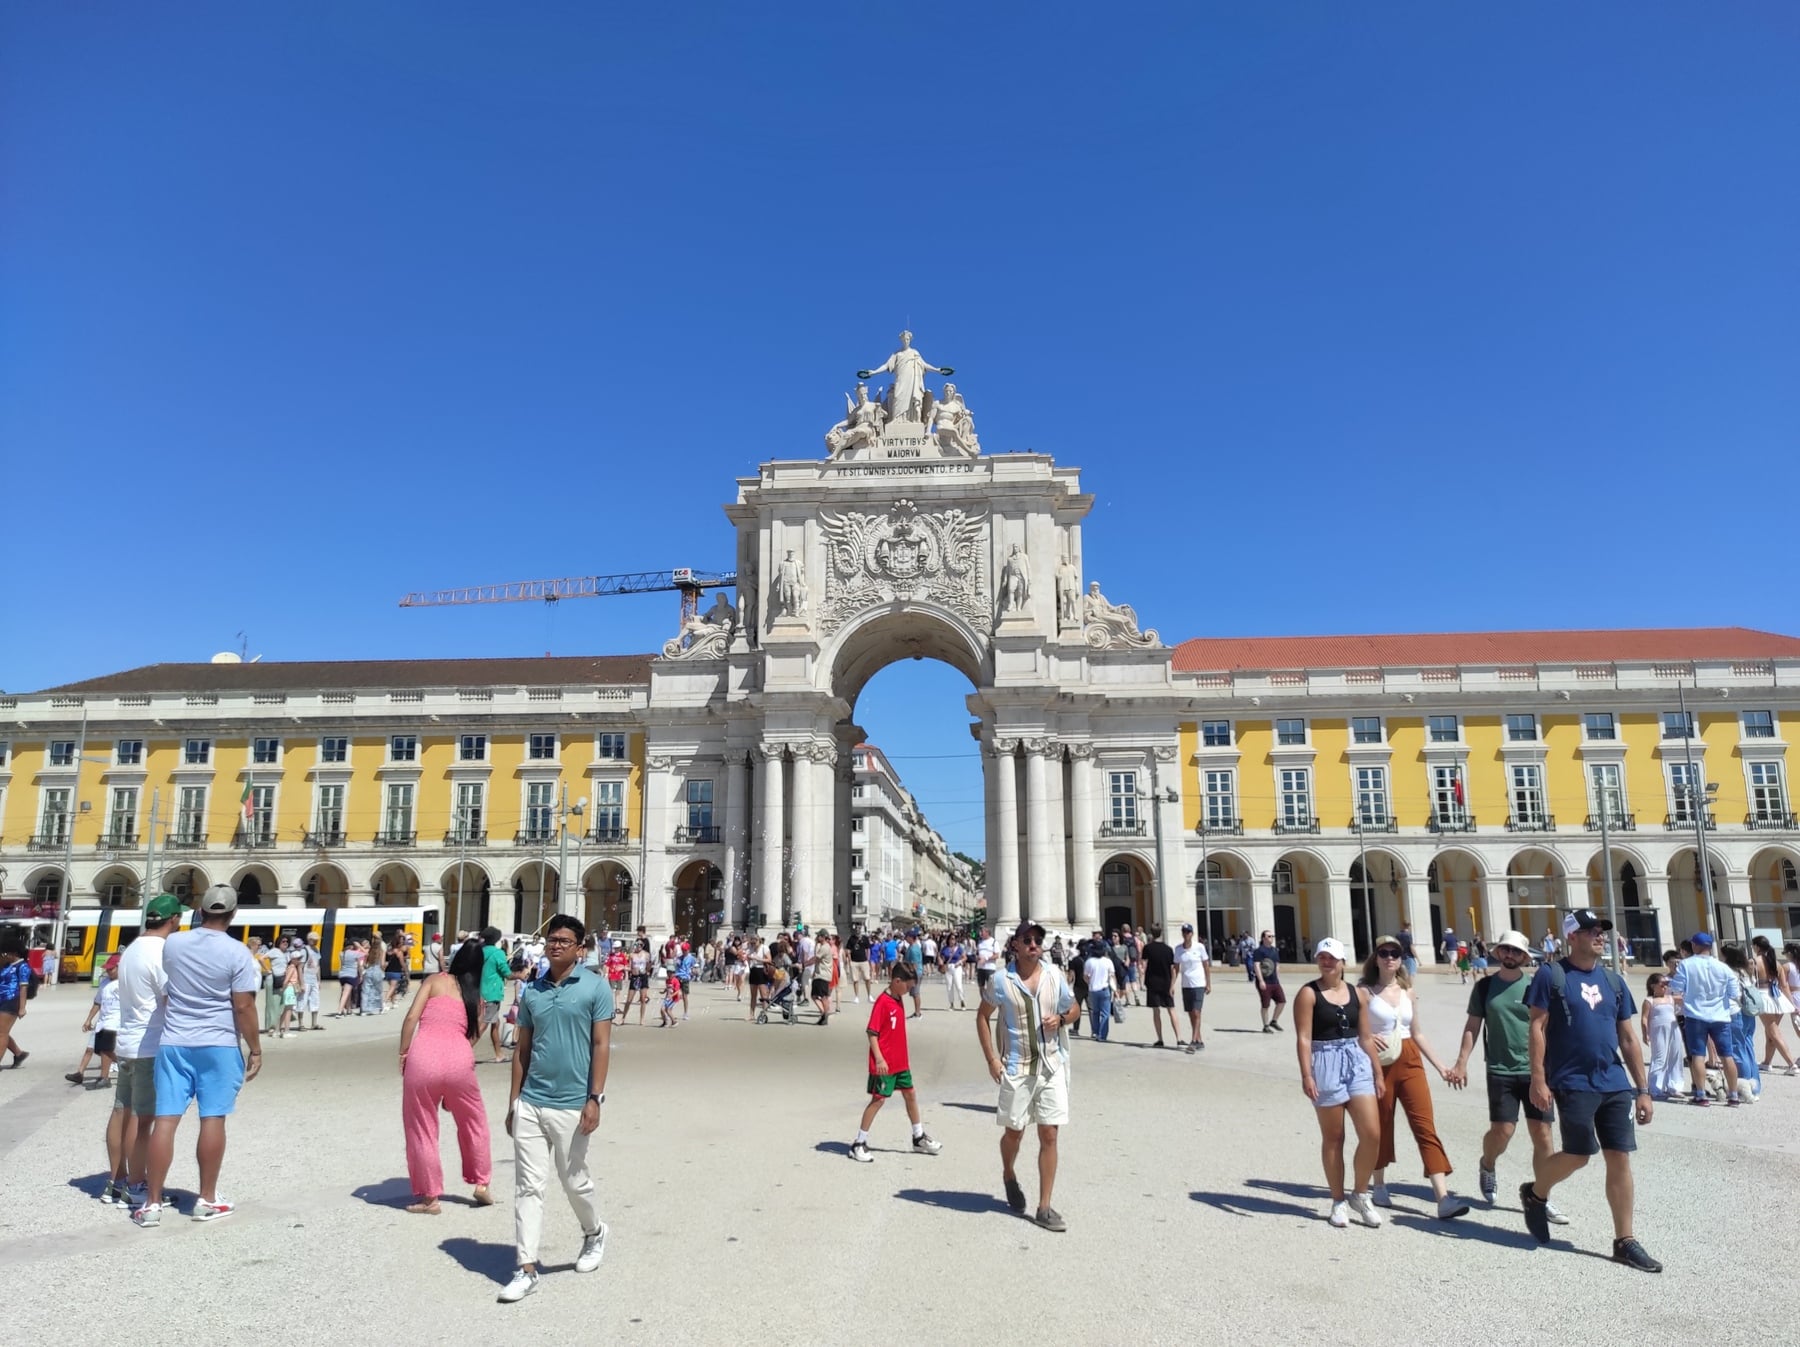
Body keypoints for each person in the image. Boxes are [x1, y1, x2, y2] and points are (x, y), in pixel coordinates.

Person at [1519, 909, 1660, 1272]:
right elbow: (1537, 1027)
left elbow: (1628, 1037)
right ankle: (1535, 1194)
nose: (1599, 935)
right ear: (1571, 937)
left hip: (1614, 1082)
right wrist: (1538, 1079)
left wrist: (1642, 1088)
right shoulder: (1552, 976)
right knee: (1579, 1154)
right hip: (1571, 1080)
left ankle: (1624, 1240)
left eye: (1601, 930)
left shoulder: (1613, 981)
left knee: (1620, 1156)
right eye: (1590, 930)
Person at [132, 884, 263, 1227]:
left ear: (200, 911)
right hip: (218, 1042)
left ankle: (152, 1203)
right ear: (233, 915)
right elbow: (244, 1005)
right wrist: (256, 1048)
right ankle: (205, 1199)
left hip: (174, 1041)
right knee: (213, 1118)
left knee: (166, 1120)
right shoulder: (238, 954)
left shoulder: (174, 943)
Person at [499, 914, 613, 1304]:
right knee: (528, 1185)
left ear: (581, 948)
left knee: (573, 1180)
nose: (556, 945)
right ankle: (526, 1267)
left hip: (572, 1103)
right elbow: (522, 1050)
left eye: (565, 940)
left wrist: (595, 1097)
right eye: (551, 939)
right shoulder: (533, 992)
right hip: (532, 1100)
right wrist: (515, 1101)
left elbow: (600, 1045)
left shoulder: (597, 987)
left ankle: (594, 1231)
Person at [1445, 929, 1567, 1224]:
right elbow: (1473, 1026)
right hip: (1500, 1069)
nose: (1510, 955)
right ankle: (1488, 1164)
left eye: (1516, 952)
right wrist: (1461, 1062)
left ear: (1525, 957)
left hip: (1536, 1071)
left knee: (1543, 1135)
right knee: (1503, 1131)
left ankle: (1542, 1196)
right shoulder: (1485, 987)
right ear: (1498, 953)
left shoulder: (1537, 986)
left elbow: (1551, 1029)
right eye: (1505, 950)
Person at [976, 922, 1079, 1232]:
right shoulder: (1000, 981)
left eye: (1038, 940)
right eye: (1028, 940)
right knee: (1014, 1134)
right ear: (1015, 946)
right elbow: (982, 1016)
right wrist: (992, 1058)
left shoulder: (1054, 976)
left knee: (1049, 1134)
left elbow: (1073, 1008)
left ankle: (1044, 1206)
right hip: (1017, 1068)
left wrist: (1061, 1018)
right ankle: (1008, 1173)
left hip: (1051, 1066)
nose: (1034, 944)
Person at [1355, 936, 1467, 1219]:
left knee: (1425, 1125)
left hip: (1410, 1058)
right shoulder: (1364, 991)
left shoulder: (1408, 990)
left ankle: (1442, 1198)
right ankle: (1378, 1184)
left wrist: (1441, 1067)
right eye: (1384, 953)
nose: (1390, 957)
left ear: (1402, 958)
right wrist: (1367, 1038)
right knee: (1381, 1124)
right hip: (1379, 1063)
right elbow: (1355, 1031)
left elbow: (1417, 1033)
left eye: (1395, 953)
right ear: (1376, 957)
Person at [1294, 938, 1384, 1228]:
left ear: (1343, 962)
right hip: (1325, 1060)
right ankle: (1338, 1200)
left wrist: (1378, 1072)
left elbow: (1366, 1036)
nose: (1326, 962)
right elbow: (1304, 1038)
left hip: (1355, 1059)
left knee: (1372, 1133)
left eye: (1332, 957)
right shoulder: (1308, 994)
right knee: (1334, 1138)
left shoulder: (1358, 994)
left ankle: (1360, 1193)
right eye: (1322, 957)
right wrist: (1307, 1074)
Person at [399, 940, 494, 1214]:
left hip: (423, 1057)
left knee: (422, 1128)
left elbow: (411, 1018)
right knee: (474, 1121)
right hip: (459, 1059)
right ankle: (482, 1182)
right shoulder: (476, 994)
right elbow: (477, 1032)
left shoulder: (434, 981)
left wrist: (403, 1053)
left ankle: (430, 1198)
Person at [104, 894, 181, 1207]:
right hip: (149, 1044)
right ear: (174, 919)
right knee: (143, 1117)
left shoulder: (133, 948)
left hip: (126, 1042)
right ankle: (136, 1185)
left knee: (121, 1110)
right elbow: (169, 998)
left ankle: (116, 1179)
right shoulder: (161, 951)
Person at [847, 963, 942, 1163]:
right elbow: (872, 1033)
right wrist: (879, 1058)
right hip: (884, 1063)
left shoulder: (898, 998)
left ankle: (918, 1137)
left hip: (900, 1062)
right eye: (907, 987)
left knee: (910, 1094)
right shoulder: (882, 1002)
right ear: (897, 981)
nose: (909, 991)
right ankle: (859, 1143)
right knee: (879, 1100)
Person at [1669, 932, 1741, 1106]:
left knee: (1698, 1056)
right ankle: (1733, 1095)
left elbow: (1676, 988)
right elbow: (1734, 993)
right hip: (1720, 1016)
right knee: (1727, 1056)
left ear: (1694, 946)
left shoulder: (1686, 965)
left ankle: (1700, 1094)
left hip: (1696, 1015)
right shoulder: (1723, 967)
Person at [69, 955, 122, 1087]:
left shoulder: (125, 983)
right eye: (107, 969)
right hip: (102, 1021)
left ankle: (104, 1077)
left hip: (115, 1021)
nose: (109, 972)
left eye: (112, 969)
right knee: (96, 1049)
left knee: (105, 1049)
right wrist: (88, 1019)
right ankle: (80, 1073)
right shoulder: (104, 982)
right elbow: (97, 1002)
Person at [1750, 935, 1797, 1073]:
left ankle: (1791, 1063)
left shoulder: (1754, 962)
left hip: (1763, 997)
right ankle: (1767, 1062)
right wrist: (1792, 1004)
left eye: (1753, 946)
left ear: (1757, 947)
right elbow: (1784, 985)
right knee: (1770, 1032)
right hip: (1778, 998)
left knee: (1773, 1031)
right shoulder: (1776, 963)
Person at [1640, 973, 1685, 1100]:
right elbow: (1644, 1018)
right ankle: (1655, 1087)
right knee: (1659, 1057)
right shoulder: (1649, 1000)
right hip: (1658, 1030)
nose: (1665, 987)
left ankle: (1674, 1086)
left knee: (1675, 1056)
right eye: (1662, 985)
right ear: (1653, 986)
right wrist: (1645, 1033)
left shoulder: (1671, 998)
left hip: (1673, 1029)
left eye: (1666, 985)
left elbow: (1686, 997)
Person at [1174, 923, 1212, 1053]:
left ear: (1192, 933)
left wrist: (1208, 983)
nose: (1186, 934)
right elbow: (1176, 968)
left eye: (1188, 932)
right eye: (1184, 932)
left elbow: (1206, 966)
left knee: (1197, 1012)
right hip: (1186, 984)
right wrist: (1172, 984)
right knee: (1191, 1013)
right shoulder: (1178, 949)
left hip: (1198, 984)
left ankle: (1193, 1041)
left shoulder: (1199, 947)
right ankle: (1199, 1039)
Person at [479, 927, 515, 1062]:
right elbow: (507, 974)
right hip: (492, 992)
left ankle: (499, 1054)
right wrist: (520, 975)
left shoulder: (480, 951)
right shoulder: (498, 953)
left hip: (479, 991)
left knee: (496, 1023)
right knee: (484, 1024)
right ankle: (463, 1051)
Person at [1141, 924, 1179, 1048]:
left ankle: (1160, 1039)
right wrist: (1172, 984)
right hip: (1166, 983)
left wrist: (1142, 977)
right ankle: (1179, 1038)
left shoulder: (1147, 948)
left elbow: (1143, 964)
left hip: (1152, 983)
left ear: (1151, 934)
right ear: (1161, 933)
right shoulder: (1168, 949)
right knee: (1171, 1010)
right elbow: (1172, 968)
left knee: (1156, 1011)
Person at [0, 930, 32, 1068]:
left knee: (1, 1033)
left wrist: (22, 1007)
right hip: (1, 999)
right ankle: (19, 1054)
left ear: (13, 953)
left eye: (5, 953)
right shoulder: (6, 965)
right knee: (1, 1031)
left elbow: (23, 987)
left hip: (11, 1000)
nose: (3, 955)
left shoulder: (22, 966)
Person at [1082, 938, 1118, 1041]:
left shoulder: (1089, 962)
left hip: (1093, 990)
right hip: (1104, 989)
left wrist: (1090, 983)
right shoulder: (1108, 962)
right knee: (1105, 1014)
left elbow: (1085, 976)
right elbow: (1112, 976)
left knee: (1095, 1012)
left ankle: (1096, 1032)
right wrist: (1115, 990)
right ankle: (1102, 1035)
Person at [1253, 931, 1286, 1032]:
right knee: (1265, 1005)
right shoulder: (1259, 951)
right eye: (1269, 936)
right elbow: (1256, 965)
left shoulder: (1275, 950)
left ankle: (1274, 1021)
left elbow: (1277, 964)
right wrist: (1261, 981)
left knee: (1282, 1001)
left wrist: (1277, 977)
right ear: (1263, 938)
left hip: (1274, 981)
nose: (1271, 938)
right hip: (1264, 981)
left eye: (1272, 936)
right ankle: (1265, 1026)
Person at [335, 938, 362, 1017]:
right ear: (351, 946)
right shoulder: (354, 953)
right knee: (346, 993)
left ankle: (349, 1010)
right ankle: (339, 1012)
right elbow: (365, 954)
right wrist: (359, 946)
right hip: (351, 975)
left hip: (342, 975)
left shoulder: (341, 953)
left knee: (347, 992)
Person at [943, 933, 969, 1010]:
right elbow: (940, 956)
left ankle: (962, 1001)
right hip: (948, 967)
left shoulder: (959, 948)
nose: (952, 940)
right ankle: (951, 1004)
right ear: (948, 940)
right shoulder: (945, 948)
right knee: (949, 986)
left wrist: (960, 962)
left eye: (954, 939)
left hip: (957, 966)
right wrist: (941, 962)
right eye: (951, 938)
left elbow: (965, 957)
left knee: (958, 985)